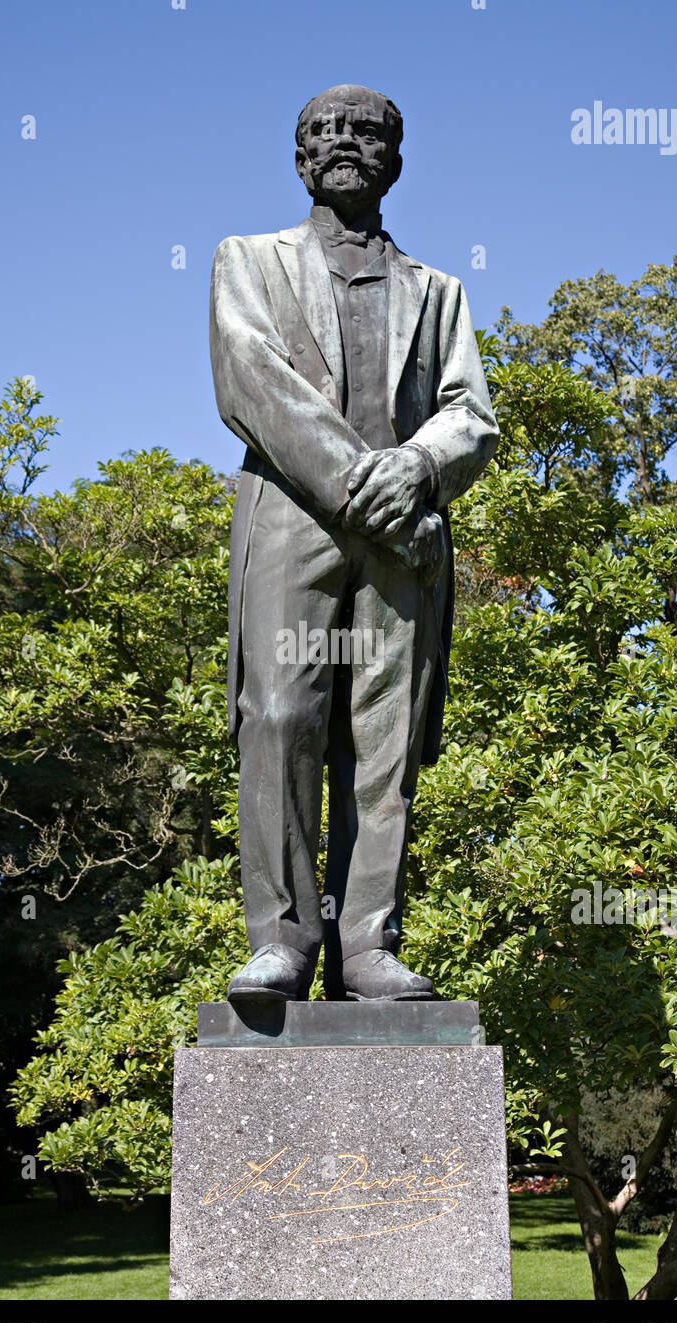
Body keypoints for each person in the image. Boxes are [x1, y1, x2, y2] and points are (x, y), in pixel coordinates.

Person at [209, 84, 499, 1003]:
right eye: (324, 132)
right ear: (300, 159)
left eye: (367, 132)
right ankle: (283, 942)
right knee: (283, 720)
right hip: (295, 520)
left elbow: (471, 417)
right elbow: (253, 385)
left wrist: (417, 467)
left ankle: (368, 943)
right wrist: (371, 487)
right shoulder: (247, 261)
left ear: (395, 159)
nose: (344, 143)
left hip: (402, 547)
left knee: (385, 745)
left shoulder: (439, 291)